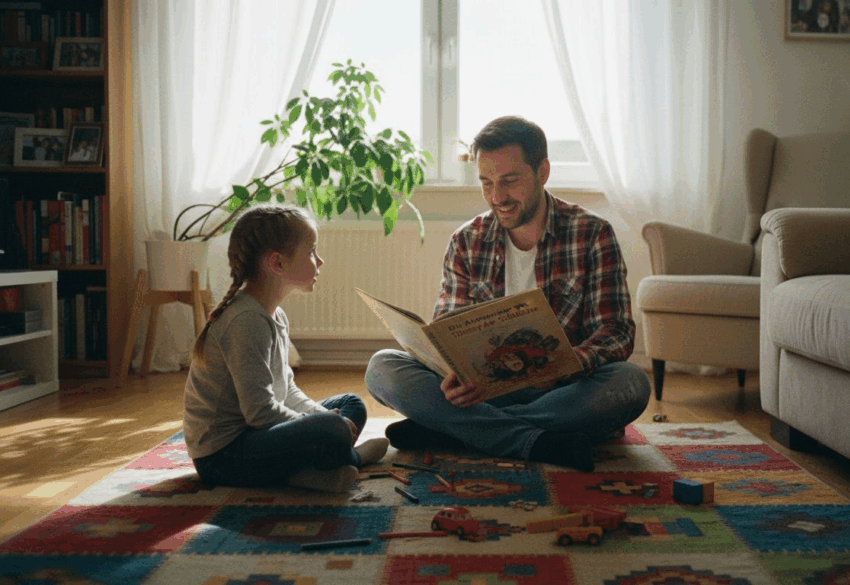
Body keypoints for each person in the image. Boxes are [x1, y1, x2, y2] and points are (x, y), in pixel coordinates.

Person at [365, 116, 651, 472]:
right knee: (382, 367)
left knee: (631, 382)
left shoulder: (592, 233)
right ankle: (533, 440)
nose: (497, 197)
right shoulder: (466, 241)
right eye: (486, 183)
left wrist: (567, 365)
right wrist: (453, 376)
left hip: (561, 391)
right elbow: (447, 329)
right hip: (482, 392)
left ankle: (455, 428)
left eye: (510, 181)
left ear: (543, 171)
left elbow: (617, 331)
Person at [184, 204, 389, 493]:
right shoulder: (247, 321)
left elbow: (287, 389)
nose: (320, 261)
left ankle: (306, 473)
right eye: (311, 252)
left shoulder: (274, 315)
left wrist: (322, 414)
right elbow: (259, 413)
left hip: (260, 436)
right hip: (224, 457)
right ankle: (350, 458)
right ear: (277, 264)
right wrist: (325, 424)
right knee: (333, 429)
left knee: (350, 405)